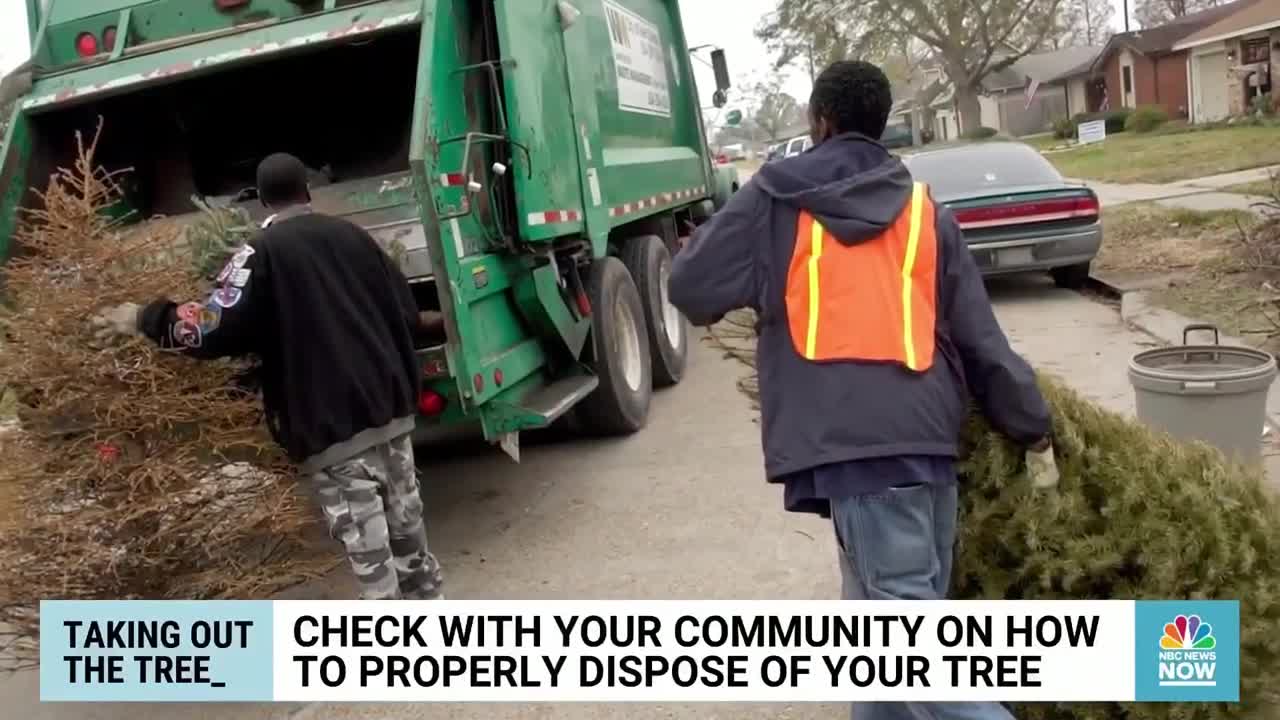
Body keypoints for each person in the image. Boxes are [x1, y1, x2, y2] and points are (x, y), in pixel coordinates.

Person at [668, 61, 1051, 720]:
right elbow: (982, 341)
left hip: (858, 454)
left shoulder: (774, 200)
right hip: (927, 448)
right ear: (879, 127)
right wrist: (1032, 423)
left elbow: (691, 286)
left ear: (821, 122)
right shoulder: (926, 211)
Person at [92, 152, 445, 601]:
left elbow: (208, 327)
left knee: (377, 578)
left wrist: (145, 317)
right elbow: (408, 316)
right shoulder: (356, 237)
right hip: (393, 424)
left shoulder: (259, 255)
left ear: (261, 200)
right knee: (416, 563)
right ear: (307, 191)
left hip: (334, 435)